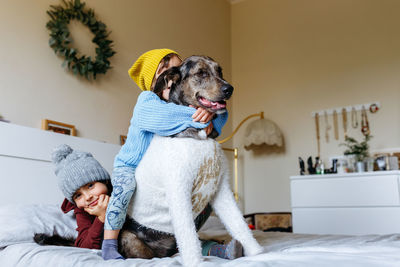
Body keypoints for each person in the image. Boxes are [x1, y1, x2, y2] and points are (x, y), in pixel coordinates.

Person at [102, 49, 239, 260]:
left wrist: (211, 112)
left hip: (167, 211)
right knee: (123, 188)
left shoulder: (181, 103)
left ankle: (210, 248)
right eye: (166, 71)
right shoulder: (147, 101)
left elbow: (222, 116)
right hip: (129, 168)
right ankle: (109, 243)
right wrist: (202, 116)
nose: (172, 76)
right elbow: (165, 118)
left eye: (176, 68)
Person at [52, 144, 112, 249]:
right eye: (78, 195)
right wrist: (101, 217)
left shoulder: (121, 193)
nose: (87, 197)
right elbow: (85, 246)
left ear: (105, 181)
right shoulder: (82, 211)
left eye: (90, 186)